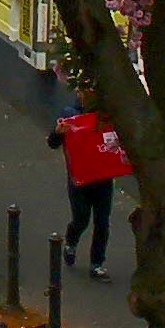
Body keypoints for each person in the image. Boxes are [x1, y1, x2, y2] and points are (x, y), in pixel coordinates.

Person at [51, 99, 132, 278]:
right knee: (81, 219)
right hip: (80, 180)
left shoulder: (107, 114)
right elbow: (53, 142)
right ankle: (71, 242)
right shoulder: (70, 113)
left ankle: (97, 263)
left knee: (102, 222)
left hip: (103, 179)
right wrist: (57, 132)